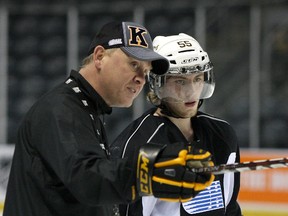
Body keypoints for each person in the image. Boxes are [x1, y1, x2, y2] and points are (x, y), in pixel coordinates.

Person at [3, 22, 214, 216]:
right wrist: (147, 171)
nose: (141, 78)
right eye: (134, 64)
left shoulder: (86, 109)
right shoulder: (61, 109)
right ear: (99, 57)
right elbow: (88, 180)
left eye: (146, 71)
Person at [111, 33, 242, 216]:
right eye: (180, 81)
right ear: (158, 83)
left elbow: (230, 208)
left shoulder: (222, 134)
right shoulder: (138, 145)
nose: (191, 91)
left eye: (197, 79)